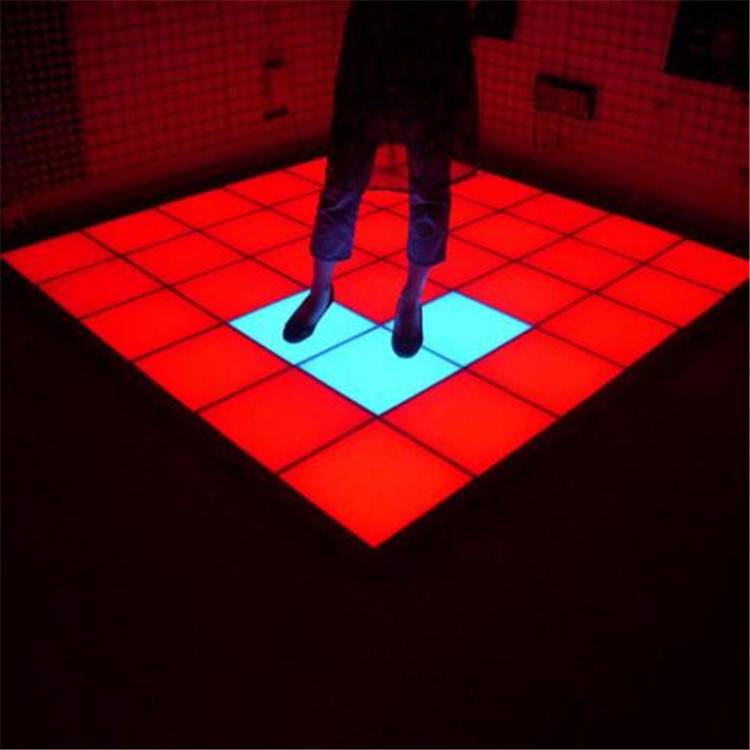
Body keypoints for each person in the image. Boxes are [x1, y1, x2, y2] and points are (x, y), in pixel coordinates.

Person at [283, 0, 479, 357]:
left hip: (436, 30)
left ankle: (411, 297)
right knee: (343, 174)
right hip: (374, 28)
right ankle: (320, 290)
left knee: (430, 180)